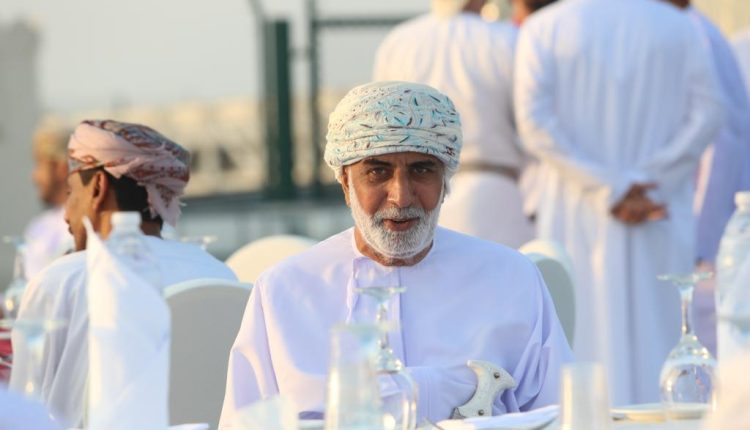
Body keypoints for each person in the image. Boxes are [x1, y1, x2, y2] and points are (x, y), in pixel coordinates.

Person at [219, 82, 572, 427]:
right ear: (345, 182)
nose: (401, 196)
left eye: (421, 170)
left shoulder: (510, 279)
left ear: (445, 181)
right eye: (377, 171)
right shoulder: (283, 292)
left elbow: (563, 416)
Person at [514, 0, 723, 404]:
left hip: (579, 205)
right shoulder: (679, 26)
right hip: (656, 207)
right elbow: (709, 113)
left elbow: (534, 125)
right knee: (660, 334)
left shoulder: (544, 28)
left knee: (581, 332)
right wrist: (647, 182)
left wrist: (608, 187)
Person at [10, 119, 237, 427]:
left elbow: (23, 407)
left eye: (71, 193)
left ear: (98, 188)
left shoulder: (60, 280)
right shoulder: (218, 273)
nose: (66, 214)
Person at [372, 0, 552, 247]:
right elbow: (533, 127)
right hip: (499, 195)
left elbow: (384, 131)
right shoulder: (509, 40)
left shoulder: (397, 43)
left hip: (417, 195)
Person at [662, 0, 750, 355]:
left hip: (716, 235)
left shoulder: (693, 33)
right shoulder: (692, 29)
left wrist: (701, 237)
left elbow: (723, 142)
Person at [25, 125, 74, 280]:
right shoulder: (39, 227)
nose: (34, 176)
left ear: (61, 167)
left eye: (39, 164)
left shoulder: (89, 225)